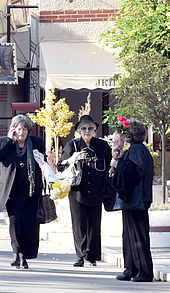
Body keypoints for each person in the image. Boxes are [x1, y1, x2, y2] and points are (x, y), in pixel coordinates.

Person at [58, 114, 112, 267]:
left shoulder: (101, 146)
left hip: (97, 191)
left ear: (94, 130)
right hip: (77, 192)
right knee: (79, 224)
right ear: (79, 130)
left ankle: (92, 256)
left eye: (90, 128)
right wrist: (72, 159)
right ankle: (80, 256)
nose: (87, 131)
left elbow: (110, 166)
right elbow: (60, 166)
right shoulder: (72, 145)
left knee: (94, 224)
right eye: (83, 128)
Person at [0, 114, 43, 268]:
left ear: (29, 131)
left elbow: (43, 161)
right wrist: (8, 139)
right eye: (19, 129)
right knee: (14, 223)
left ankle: (25, 256)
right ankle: (16, 254)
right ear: (13, 130)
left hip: (30, 191)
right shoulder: (5, 142)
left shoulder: (36, 143)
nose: (21, 132)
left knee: (28, 225)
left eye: (25, 129)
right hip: (11, 192)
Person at [111, 118, 154, 283]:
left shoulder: (136, 150)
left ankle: (144, 271)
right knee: (130, 235)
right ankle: (131, 268)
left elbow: (133, 172)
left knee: (138, 236)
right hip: (134, 200)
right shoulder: (137, 149)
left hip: (136, 199)